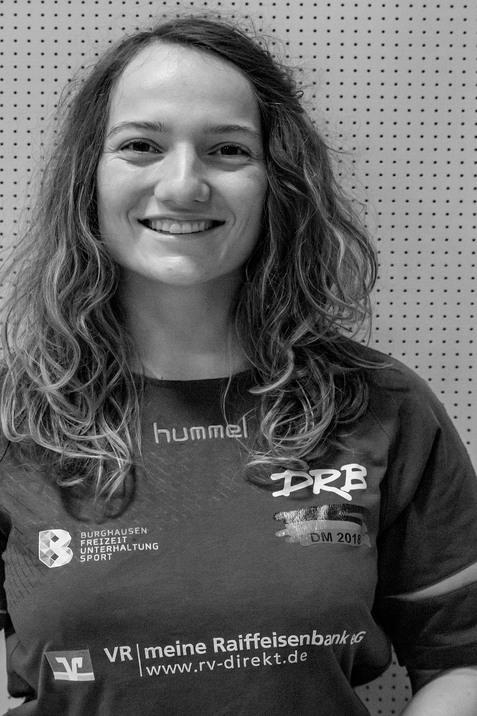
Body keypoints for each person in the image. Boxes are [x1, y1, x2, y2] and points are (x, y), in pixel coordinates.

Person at [0, 14, 476, 716]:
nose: (183, 185)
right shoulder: (17, 414)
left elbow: (462, 660)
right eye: (140, 146)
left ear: (276, 181)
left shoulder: (381, 405)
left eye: (227, 149)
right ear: (87, 179)